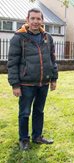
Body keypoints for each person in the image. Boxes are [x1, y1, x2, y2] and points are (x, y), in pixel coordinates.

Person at [7, 8, 58, 150]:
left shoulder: (48, 37)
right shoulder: (18, 38)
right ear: (27, 20)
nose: (36, 21)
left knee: (39, 111)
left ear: (42, 20)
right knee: (24, 113)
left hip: (43, 82)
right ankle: (24, 139)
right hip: (26, 83)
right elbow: (12, 63)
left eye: (38, 19)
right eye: (33, 18)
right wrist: (15, 85)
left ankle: (37, 136)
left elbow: (52, 59)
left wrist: (54, 78)